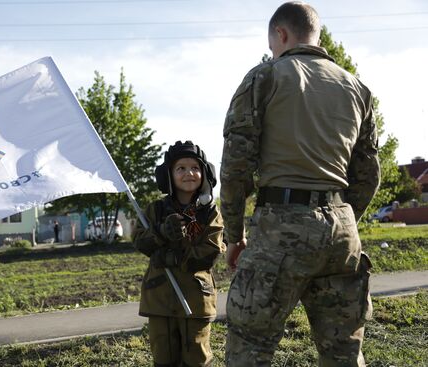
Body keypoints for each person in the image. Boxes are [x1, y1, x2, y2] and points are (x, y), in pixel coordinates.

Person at [220, 2, 380, 366]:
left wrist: (234, 235)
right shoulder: (357, 89)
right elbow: (369, 174)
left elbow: (235, 168)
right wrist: (343, 216)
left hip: (280, 227)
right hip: (342, 235)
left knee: (250, 344)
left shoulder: (264, 77)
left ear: (281, 34)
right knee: (344, 352)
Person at [133, 141, 225, 367]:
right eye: (180, 168)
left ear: (205, 173)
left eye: (195, 168)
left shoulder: (211, 212)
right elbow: (140, 242)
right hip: (160, 298)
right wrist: (161, 232)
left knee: (197, 357)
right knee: (163, 358)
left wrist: (174, 255)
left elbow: (210, 252)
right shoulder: (155, 210)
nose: (189, 173)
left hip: (196, 298)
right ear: (168, 175)